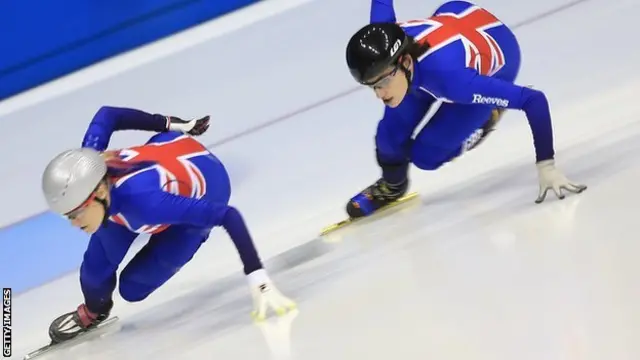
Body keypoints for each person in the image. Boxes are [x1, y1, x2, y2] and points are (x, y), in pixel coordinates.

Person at [41, 106, 295, 343]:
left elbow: (229, 216)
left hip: (208, 185)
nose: (74, 224)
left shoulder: (146, 203)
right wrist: (167, 123)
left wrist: (258, 277)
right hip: (164, 155)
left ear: (98, 192)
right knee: (94, 273)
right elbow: (107, 114)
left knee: (133, 288)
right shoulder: (89, 162)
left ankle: (183, 232)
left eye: (77, 213)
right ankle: (95, 311)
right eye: (68, 216)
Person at [343, 0, 587, 218]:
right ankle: (392, 186)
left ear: (405, 61)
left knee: (426, 156)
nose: (379, 94)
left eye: (383, 83)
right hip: (455, 17)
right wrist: (385, 80)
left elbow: (533, 100)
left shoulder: (455, 82)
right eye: (371, 86)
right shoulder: (381, 36)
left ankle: (488, 114)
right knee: (388, 137)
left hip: (497, 57)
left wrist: (546, 165)